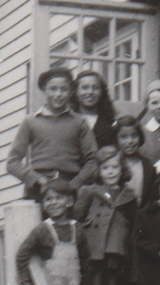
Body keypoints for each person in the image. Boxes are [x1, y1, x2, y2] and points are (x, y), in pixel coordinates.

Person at [73, 146, 138, 285]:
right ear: (99, 172)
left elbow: (133, 223)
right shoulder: (90, 191)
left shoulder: (128, 195)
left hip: (115, 248)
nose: (110, 172)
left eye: (115, 167)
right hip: (94, 248)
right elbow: (78, 216)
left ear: (122, 169)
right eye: (105, 168)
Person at [16, 179, 89, 285]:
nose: (53, 202)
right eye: (48, 199)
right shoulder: (42, 230)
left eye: (58, 198)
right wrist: (26, 282)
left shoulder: (77, 229)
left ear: (69, 201)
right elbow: (22, 255)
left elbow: (85, 260)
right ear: (44, 204)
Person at [6, 66, 98, 200]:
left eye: (64, 89)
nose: (58, 94)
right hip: (39, 189)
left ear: (71, 92)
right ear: (44, 90)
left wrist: (74, 184)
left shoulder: (79, 122)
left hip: (70, 188)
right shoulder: (31, 121)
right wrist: (38, 180)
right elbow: (12, 162)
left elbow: (93, 160)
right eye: (53, 89)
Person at [114, 115, 157, 208]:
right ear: (116, 139)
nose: (130, 141)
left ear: (140, 137)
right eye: (123, 137)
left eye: (134, 136)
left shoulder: (147, 166)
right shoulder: (113, 164)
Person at [72, 70, 117, 148]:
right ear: (75, 92)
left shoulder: (112, 123)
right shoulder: (67, 119)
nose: (90, 92)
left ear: (102, 92)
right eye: (84, 88)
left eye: (96, 88)